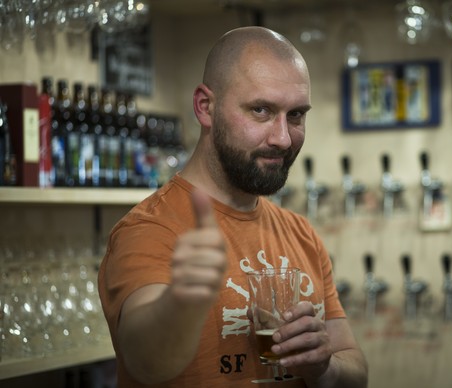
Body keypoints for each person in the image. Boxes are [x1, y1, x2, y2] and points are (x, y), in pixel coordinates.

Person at [97, 26, 368, 387]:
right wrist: (182, 301)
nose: (283, 138)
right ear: (205, 107)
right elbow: (146, 364)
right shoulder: (150, 230)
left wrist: (323, 368)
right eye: (261, 110)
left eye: (296, 115)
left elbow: (356, 370)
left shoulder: (300, 233)